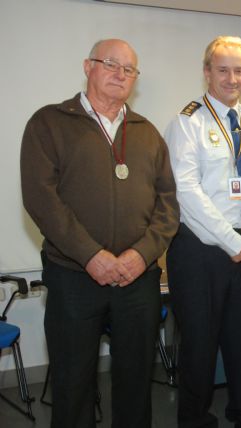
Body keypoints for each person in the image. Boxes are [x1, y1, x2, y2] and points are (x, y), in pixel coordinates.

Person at [20, 39, 179, 427]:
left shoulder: (146, 132)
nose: (120, 74)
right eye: (111, 64)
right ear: (88, 66)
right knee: (72, 384)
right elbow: (41, 200)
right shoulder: (50, 123)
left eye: (129, 70)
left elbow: (168, 204)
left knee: (136, 383)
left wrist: (141, 254)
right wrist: (91, 255)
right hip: (74, 277)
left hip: (137, 279)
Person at [164, 36, 241, 428]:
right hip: (200, 251)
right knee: (200, 348)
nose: (231, 78)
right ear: (207, 72)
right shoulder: (186, 123)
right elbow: (186, 193)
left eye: (239, 70)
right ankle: (194, 421)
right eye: (222, 70)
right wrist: (236, 242)